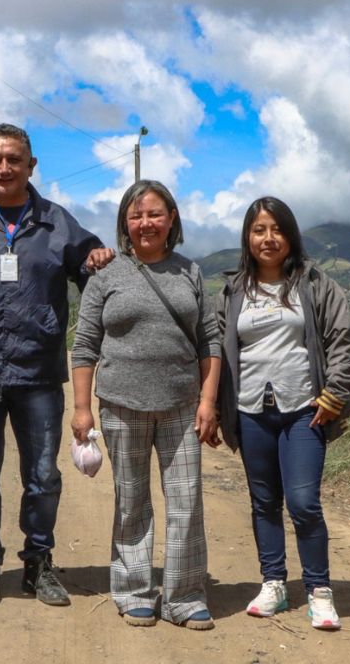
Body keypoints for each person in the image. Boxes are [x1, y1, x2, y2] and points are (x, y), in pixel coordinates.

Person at [0, 123, 114, 607]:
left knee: (43, 477)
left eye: (14, 159)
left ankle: (38, 563)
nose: (4, 167)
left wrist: (97, 256)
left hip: (37, 376)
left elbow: (92, 270)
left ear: (31, 165)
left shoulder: (58, 223)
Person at [71, 179, 221, 630]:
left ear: (172, 218)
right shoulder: (105, 275)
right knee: (132, 500)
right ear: (124, 223)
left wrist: (208, 400)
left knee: (186, 501)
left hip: (180, 406)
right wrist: (82, 409)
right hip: (121, 404)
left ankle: (185, 596)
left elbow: (209, 340)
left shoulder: (190, 272)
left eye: (154, 214)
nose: (145, 223)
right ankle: (135, 589)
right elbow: (84, 345)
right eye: (136, 216)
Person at [215, 197, 350, 631]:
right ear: (247, 237)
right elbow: (218, 352)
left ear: (290, 235)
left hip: (304, 410)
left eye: (276, 229)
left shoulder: (316, 285)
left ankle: (319, 590)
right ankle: (274, 582)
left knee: (303, 503)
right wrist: (212, 406)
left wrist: (335, 392)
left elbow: (340, 343)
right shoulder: (233, 290)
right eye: (259, 230)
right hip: (251, 410)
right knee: (263, 503)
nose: (268, 238)